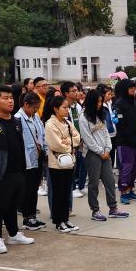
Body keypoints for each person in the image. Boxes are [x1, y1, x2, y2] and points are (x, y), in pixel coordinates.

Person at [0, 85, 36, 253]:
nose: (10, 101)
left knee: (12, 204)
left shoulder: (16, 121)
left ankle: (13, 234)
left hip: (16, 171)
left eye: (11, 98)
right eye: (5, 98)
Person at [78, 87, 129, 221]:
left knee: (110, 181)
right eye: (97, 102)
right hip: (92, 154)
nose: (99, 104)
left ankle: (113, 208)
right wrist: (101, 151)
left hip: (105, 153)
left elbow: (106, 133)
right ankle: (95, 210)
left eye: (101, 102)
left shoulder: (99, 115)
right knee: (94, 183)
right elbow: (88, 138)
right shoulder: (83, 117)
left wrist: (108, 149)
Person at [44, 95, 80, 232]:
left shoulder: (68, 123)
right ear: (55, 109)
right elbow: (56, 144)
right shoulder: (50, 124)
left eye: (67, 107)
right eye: (64, 107)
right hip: (56, 164)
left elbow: (77, 138)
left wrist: (66, 141)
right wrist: (68, 144)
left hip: (69, 161)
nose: (67, 110)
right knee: (58, 193)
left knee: (66, 192)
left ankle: (66, 219)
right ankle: (58, 221)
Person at [14, 91, 47, 230]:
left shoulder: (35, 117)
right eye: (34, 107)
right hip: (26, 160)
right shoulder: (17, 119)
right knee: (27, 190)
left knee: (34, 189)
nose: (36, 110)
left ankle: (32, 216)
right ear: (26, 105)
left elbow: (42, 133)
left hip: (37, 157)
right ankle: (27, 218)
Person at [112, 79, 136, 204]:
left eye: (134, 88)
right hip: (125, 142)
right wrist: (129, 136)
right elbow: (118, 123)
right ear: (124, 89)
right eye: (131, 88)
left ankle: (130, 190)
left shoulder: (134, 102)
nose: (134, 90)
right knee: (127, 167)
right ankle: (123, 192)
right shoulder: (119, 104)